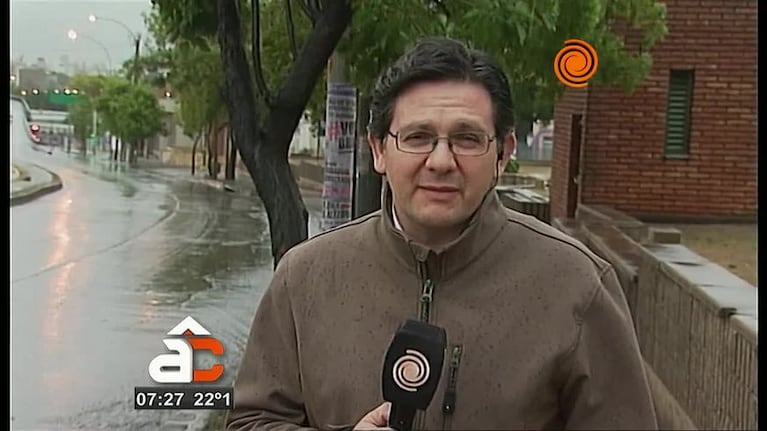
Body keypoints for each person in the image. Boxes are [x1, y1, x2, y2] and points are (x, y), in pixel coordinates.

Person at [227, 37, 658, 430]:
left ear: (503, 154)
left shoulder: (578, 285)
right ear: (379, 149)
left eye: (467, 139)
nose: (440, 161)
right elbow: (252, 421)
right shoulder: (304, 278)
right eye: (417, 137)